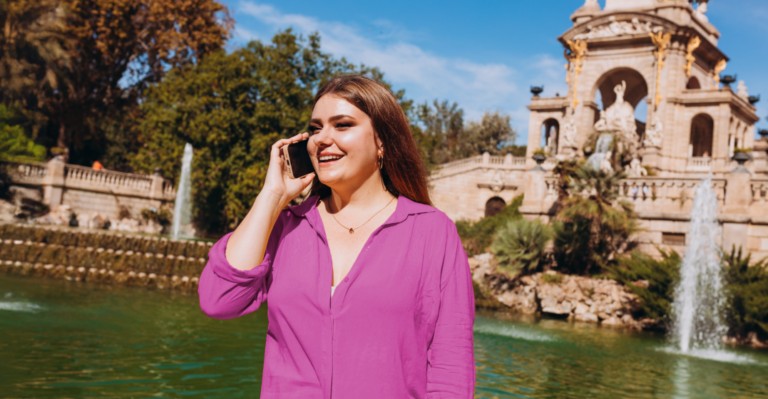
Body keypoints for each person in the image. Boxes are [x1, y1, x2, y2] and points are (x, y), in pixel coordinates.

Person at [198, 75, 476, 398]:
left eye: (342, 125)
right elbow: (218, 300)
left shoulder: (433, 232)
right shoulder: (287, 226)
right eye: (316, 128)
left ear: (382, 141)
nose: (321, 139)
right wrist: (272, 196)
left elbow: (450, 372)